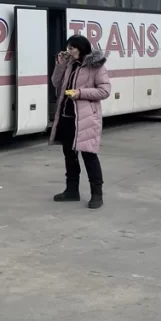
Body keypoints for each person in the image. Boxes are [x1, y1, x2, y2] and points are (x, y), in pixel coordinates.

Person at [49, 35, 111, 209]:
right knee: (69, 156)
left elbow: (105, 91)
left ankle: (97, 194)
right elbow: (55, 82)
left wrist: (80, 93)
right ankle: (71, 191)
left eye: (72, 48)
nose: (69, 51)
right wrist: (60, 64)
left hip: (86, 119)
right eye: (68, 48)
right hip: (67, 118)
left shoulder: (96, 66)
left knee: (89, 156)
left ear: (81, 48)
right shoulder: (69, 64)